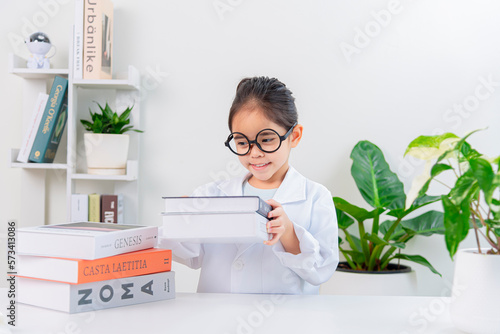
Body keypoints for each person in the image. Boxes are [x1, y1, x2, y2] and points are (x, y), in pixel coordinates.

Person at [160, 76, 338, 294]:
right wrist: (181, 222)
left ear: (294, 136)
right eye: (242, 142)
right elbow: (190, 256)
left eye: (266, 139)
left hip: (286, 320)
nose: (254, 153)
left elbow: (321, 269)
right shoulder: (211, 194)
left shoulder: (315, 197)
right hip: (216, 317)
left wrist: (288, 232)